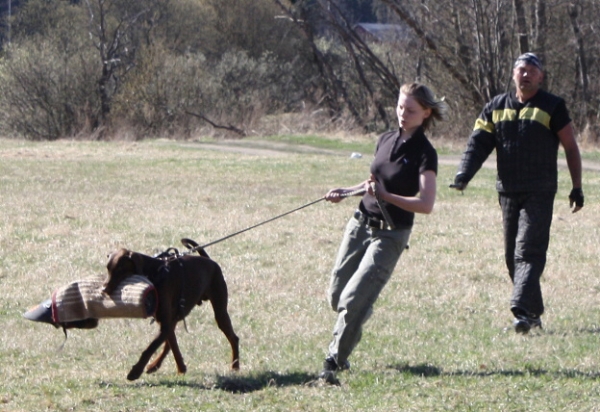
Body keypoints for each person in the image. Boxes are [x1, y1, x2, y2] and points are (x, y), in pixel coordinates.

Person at [319, 82, 447, 383]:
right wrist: (345, 191)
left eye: (411, 110)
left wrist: (387, 197)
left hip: (391, 234)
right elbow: (371, 184)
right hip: (360, 224)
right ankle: (360, 311)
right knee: (336, 296)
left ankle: (334, 361)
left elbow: (426, 204)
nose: (403, 114)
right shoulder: (385, 139)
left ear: (426, 113)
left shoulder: (426, 153)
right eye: (400, 107)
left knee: (352, 300)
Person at [452, 52, 584, 334]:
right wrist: (464, 174)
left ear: (540, 76)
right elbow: (478, 144)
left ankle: (520, 310)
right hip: (508, 191)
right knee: (512, 256)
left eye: (531, 71)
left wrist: (577, 187)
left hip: (540, 190)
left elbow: (571, 147)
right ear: (513, 75)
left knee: (528, 250)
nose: (525, 74)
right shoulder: (495, 106)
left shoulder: (552, 106)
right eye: (520, 70)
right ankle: (532, 314)